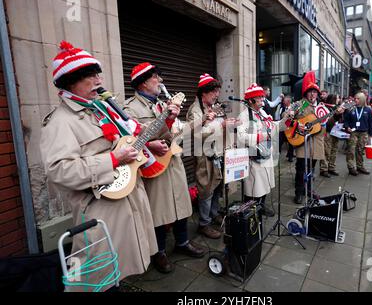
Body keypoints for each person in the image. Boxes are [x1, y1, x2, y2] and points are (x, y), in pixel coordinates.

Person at [40, 41, 157, 291]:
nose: (98, 80)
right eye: (91, 75)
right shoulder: (59, 122)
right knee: (99, 271)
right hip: (99, 209)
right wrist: (113, 160)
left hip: (128, 199)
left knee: (121, 264)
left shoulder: (101, 109)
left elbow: (129, 139)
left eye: (97, 74)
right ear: (72, 81)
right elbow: (59, 171)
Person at [123, 62, 206, 274]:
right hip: (152, 165)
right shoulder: (129, 108)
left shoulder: (163, 104)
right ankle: (158, 251)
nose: (160, 81)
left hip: (172, 161)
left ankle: (182, 242)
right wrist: (149, 144)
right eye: (155, 77)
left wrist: (201, 121)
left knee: (180, 205)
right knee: (158, 210)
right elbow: (127, 138)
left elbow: (176, 132)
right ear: (142, 82)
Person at [186, 74, 230, 239]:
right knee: (206, 189)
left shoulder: (214, 107)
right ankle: (204, 224)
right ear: (204, 92)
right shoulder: (195, 110)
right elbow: (198, 134)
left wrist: (227, 124)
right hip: (204, 155)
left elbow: (219, 125)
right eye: (214, 92)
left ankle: (213, 214)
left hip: (218, 152)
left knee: (217, 186)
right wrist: (221, 125)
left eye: (218, 91)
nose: (217, 95)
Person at [237, 83, 290, 216]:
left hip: (266, 154)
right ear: (250, 100)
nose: (262, 100)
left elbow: (274, 126)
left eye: (262, 97)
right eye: (259, 98)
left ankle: (261, 206)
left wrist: (287, 119)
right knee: (253, 188)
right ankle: (250, 212)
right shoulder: (243, 116)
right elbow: (241, 137)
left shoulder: (262, 112)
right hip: (254, 157)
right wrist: (261, 136)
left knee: (265, 184)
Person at [291, 71, 325, 204]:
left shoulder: (321, 107)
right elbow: (285, 117)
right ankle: (299, 192)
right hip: (303, 141)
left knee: (311, 169)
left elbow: (329, 123)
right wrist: (296, 124)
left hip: (316, 143)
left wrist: (338, 115)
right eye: (310, 91)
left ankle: (309, 190)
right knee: (300, 170)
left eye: (315, 92)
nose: (312, 94)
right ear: (306, 93)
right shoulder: (301, 104)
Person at [344, 92, 372, 176]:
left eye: (358, 98)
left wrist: (371, 133)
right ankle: (351, 167)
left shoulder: (367, 109)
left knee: (360, 150)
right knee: (351, 150)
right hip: (353, 132)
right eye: (355, 98)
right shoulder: (350, 108)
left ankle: (360, 166)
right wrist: (347, 127)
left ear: (362, 100)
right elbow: (345, 120)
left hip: (363, 133)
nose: (355, 100)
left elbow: (370, 122)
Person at [320, 94, 344, 177]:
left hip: (336, 132)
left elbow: (340, 120)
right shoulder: (326, 108)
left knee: (334, 150)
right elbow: (328, 122)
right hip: (328, 132)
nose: (339, 99)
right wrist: (336, 114)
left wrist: (341, 113)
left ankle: (331, 167)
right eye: (337, 98)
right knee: (326, 151)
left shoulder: (337, 107)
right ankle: (324, 169)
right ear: (333, 99)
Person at [275, 94, 294, 162]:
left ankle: (290, 156)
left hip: (290, 128)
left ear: (288, 101)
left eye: (284, 101)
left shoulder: (293, 107)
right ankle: (277, 153)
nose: (283, 102)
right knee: (279, 141)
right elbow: (278, 117)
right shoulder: (281, 107)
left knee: (291, 142)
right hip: (282, 128)